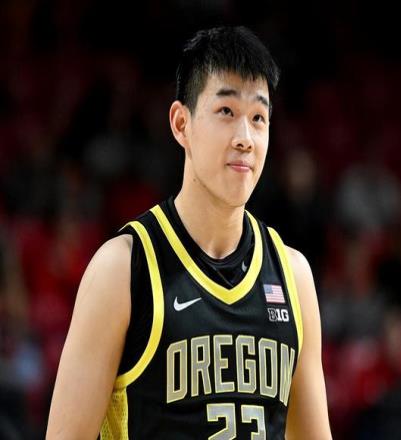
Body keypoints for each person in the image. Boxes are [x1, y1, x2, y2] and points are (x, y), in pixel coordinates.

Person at [46, 26, 331, 439]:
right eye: (226, 112)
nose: (245, 139)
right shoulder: (121, 270)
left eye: (258, 118)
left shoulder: (293, 276)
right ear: (182, 123)